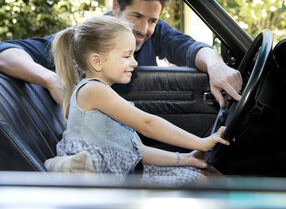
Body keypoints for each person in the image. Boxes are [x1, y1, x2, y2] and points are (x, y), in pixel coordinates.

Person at [0, 0, 242, 108]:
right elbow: (7, 51)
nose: (144, 29)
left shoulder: (156, 32)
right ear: (116, 7)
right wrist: (51, 80)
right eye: (136, 16)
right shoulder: (88, 37)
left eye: (152, 20)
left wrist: (217, 66)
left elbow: (192, 48)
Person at [47, 15, 229, 184]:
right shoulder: (92, 90)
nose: (134, 62)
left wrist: (188, 158)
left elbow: (139, 152)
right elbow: (147, 123)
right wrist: (201, 142)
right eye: (127, 56)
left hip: (128, 174)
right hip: (110, 185)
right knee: (205, 182)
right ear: (97, 61)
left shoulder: (105, 95)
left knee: (209, 175)